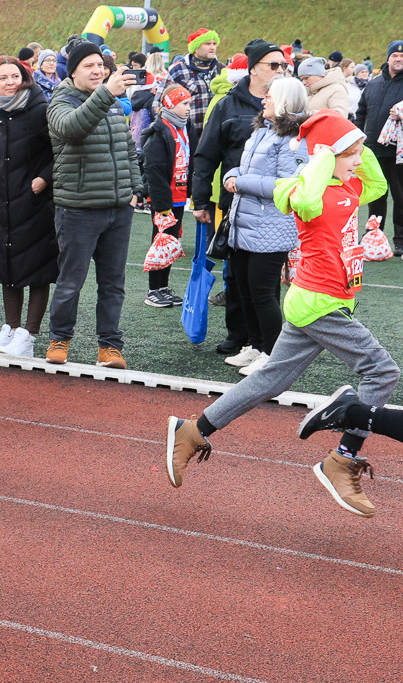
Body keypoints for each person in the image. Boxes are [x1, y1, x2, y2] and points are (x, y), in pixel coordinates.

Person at [165, 111, 397, 520]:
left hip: (329, 300)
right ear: (325, 156)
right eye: (350, 155)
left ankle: (194, 430)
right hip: (317, 303)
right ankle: (343, 459)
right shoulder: (299, 188)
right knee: (382, 372)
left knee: (270, 379)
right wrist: (324, 155)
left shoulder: (350, 185)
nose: (357, 161)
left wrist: (356, 141)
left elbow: (377, 183)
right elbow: (307, 199)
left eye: (359, 154)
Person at [44, 41, 139, 367]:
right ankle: (59, 339)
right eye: (90, 66)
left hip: (118, 208)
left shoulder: (112, 103)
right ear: (72, 71)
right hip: (78, 209)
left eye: (101, 65)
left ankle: (109, 347)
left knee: (113, 284)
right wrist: (105, 94)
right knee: (71, 282)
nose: (98, 71)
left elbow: (127, 147)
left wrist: (135, 189)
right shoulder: (61, 100)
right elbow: (72, 129)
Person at [192, 39, 287, 356]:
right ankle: (240, 335)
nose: (280, 70)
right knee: (235, 273)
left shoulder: (286, 103)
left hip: (273, 205)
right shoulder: (227, 104)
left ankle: (265, 344)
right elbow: (206, 155)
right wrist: (201, 199)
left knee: (265, 278)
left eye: (283, 65)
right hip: (233, 203)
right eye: (273, 65)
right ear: (253, 68)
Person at [220, 77, 309, 375]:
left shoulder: (294, 139)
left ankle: (273, 354)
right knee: (244, 288)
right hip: (246, 222)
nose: (263, 100)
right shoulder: (262, 131)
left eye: (269, 96)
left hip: (271, 226)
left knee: (261, 291)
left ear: (284, 100)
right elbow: (243, 167)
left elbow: (289, 183)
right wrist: (231, 175)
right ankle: (257, 346)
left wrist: (240, 181)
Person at [0, 56, 56, 358]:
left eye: (15, 76)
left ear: (25, 78)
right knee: (8, 263)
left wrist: (44, 179)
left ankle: (28, 336)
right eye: (3, 78)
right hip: (4, 199)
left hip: (35, 198)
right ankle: (10, 329)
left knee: (37, 267)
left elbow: (58, 149)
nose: (10, 82)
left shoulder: (40, 109)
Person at [141, 85, 194, 308]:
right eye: (185, 104)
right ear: (171, 105)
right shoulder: (159, 131)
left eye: (189, 104)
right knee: (161, 242)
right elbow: (153, 169)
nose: (189, 109)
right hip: (165, 199)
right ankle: (153, 290)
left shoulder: (185, 127)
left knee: (172, 242)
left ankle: (163, 287)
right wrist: (162, 204)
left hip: (180, 197)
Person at [356, 40, 403, 254]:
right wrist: (357, 137)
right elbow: (361, 113)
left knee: (400, 196)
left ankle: (400, 241)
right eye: (395, 55)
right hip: (373, 149)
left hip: (398, 152)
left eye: (402, 56)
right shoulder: (373, 84)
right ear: (388, 58)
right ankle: (374, 236)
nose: (399, 59)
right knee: (376, 194)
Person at [153, 28, 224, 131]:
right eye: (207, 44)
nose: (212, 47)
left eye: (214, 43)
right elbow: (159, 103)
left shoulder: (222, 69)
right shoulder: (178, 70)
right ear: (195, 47)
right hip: (187, 134)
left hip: (216, 133)